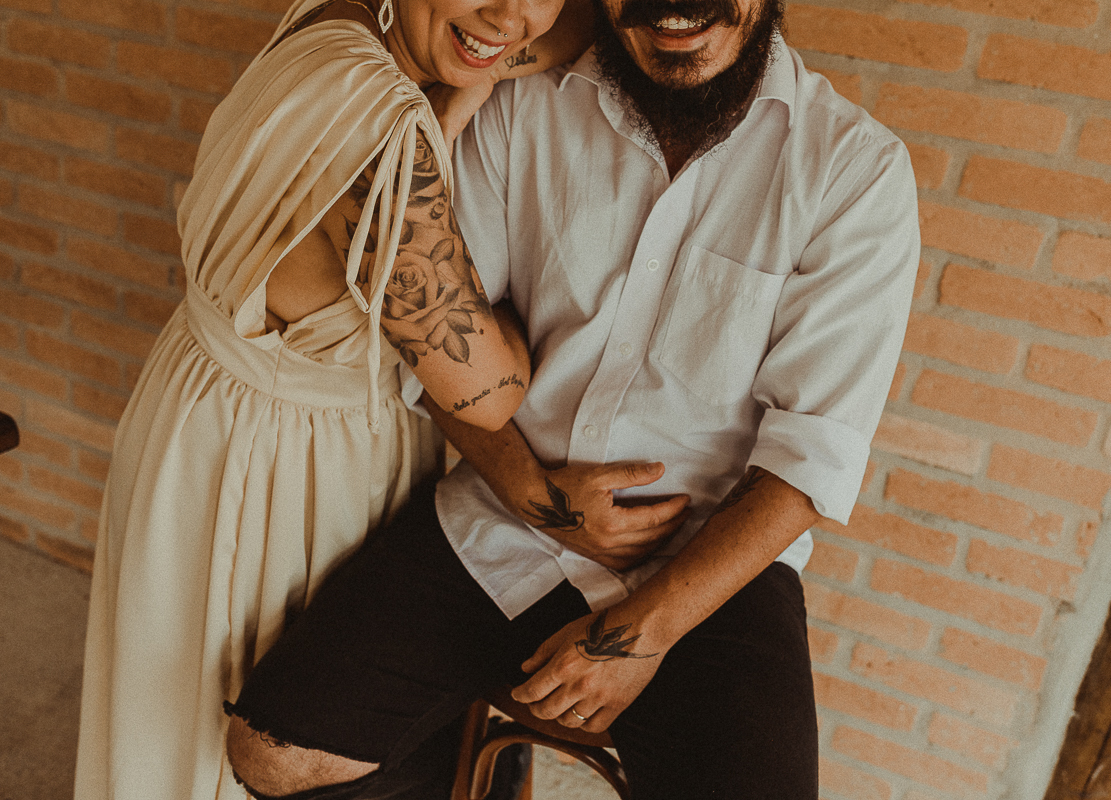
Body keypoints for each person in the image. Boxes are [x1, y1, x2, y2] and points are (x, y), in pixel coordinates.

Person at [223, 0, 922, 796]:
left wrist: (642, 634)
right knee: (273, 752)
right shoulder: (518, 105)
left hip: (707, 568)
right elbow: (437, 343)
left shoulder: (853, 169)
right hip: (503, 511)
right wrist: (534, 492)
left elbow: (810, 458)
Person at [72, 0, 591, 798]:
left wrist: (466, 92)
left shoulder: (331, 18)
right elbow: (486, 393)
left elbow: (558, 27)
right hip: (287, 464)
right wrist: (524, 305)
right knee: (237, 723)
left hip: (196, 413)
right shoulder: (380, 133)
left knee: (166, 713)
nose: (510, 15)